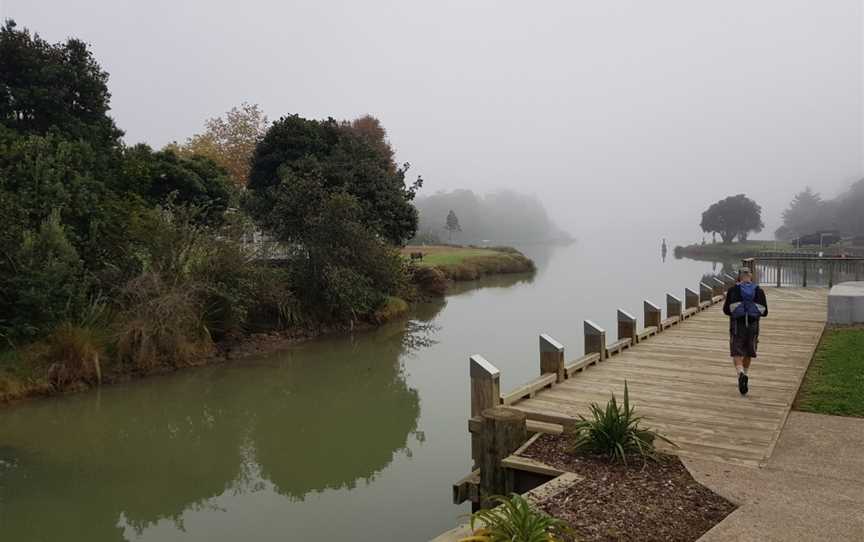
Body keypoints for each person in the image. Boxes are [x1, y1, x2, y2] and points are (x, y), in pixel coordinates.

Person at [722, 268, 767, 395]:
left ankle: (740, 373)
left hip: (737, 325)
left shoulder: (733, 290)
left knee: (736, 351)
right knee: (748, 351)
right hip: (753, 326)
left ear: (739, 277)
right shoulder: (759, 290)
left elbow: (726, 310)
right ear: (751, 276)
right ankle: (746, 374)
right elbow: (765, 312)